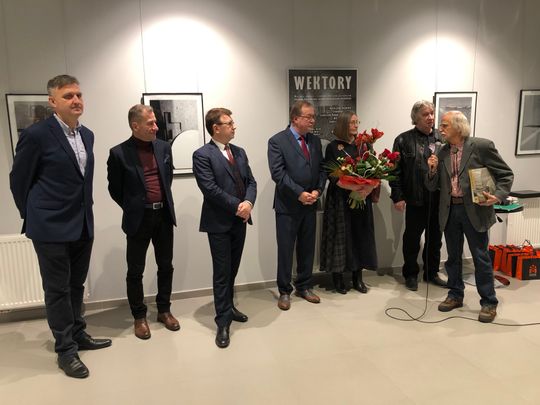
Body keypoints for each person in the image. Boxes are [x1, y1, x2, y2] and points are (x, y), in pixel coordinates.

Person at [9, 74, 111, 379]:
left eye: (79, 95)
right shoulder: (37, 135)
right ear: (52, 102)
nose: (76, 100)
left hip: (82, 223)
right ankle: (65, 349)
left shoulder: (87, 135)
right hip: (49, 226)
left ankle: (78, 333)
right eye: (68, 96)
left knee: (76, 285)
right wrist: (34, 214)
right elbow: (19, 180)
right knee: (57, 290)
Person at [427, 111, 513, 323]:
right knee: (453, 257)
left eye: (445, 125)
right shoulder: (442, 151)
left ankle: (489, 302)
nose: (440, 129)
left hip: (475, 210)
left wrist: (498, 196)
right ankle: (455, 294)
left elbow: (505, 174)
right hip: (450, 211)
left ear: (458, 127)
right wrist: (432, 170)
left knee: (480, 257)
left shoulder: (481, 146)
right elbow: (431, 186)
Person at [107, 104, 179, 340]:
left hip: (164, 215)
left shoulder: (163, 147)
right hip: (139, 218)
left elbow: (167, 178)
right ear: (135, 125)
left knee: (166, 265)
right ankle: (139, 316)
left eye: (155, 122)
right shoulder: (118, 153)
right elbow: (115, 190)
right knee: (135, 270)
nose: (156, 127)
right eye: (150, 123)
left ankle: (164, 310)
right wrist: (135, 206)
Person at [193, 108, 257, 348]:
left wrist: (248, 202)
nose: (234, 126)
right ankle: (222, 322)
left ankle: (228, 307)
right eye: (229, 123)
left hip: (240, 220)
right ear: (216, 128)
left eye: (232, 122)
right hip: (218, 223)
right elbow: (209, 189)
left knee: (232, 270)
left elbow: (251, 181)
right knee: (222, 273)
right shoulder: (202, 155)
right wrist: (238, 206)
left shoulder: (239, 152)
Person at [267, 100, 327, 310]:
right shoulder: (277, 141)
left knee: (307, 248)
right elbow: (278, 174)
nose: (313, 120)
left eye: (313, 117)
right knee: (286, 250)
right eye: (308, 117)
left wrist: (318, 190)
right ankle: (284, 291)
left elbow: (322, 169)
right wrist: (299, 193)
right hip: (287, 206)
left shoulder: (315, 141)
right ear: (295, 118)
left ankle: (304, 286)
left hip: (310, 203)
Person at [320, 111, 379, 294]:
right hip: (340, 199)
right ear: (343, 124)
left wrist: (367, 189)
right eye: (352, 122)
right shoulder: (333, 147)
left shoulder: (364, 145)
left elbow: (376, 170)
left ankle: (357, 278)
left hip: (362, 198)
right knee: (341, 237)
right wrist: (353, 187)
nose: (356, 125)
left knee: (360, 236)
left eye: (357, 122)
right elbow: (331, 174)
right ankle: (338, 278)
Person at [390, 100, 446, 291]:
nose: (430, 117)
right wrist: (397, 196)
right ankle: (411, 274)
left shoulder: (442, 138)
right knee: (412, 240)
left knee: (435, 239)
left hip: (438, 199)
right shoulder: (403, 140)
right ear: (415, 117)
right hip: (415, 199)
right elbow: (395, 171)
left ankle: (431, 273)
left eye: (432, 113)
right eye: (425, 114)